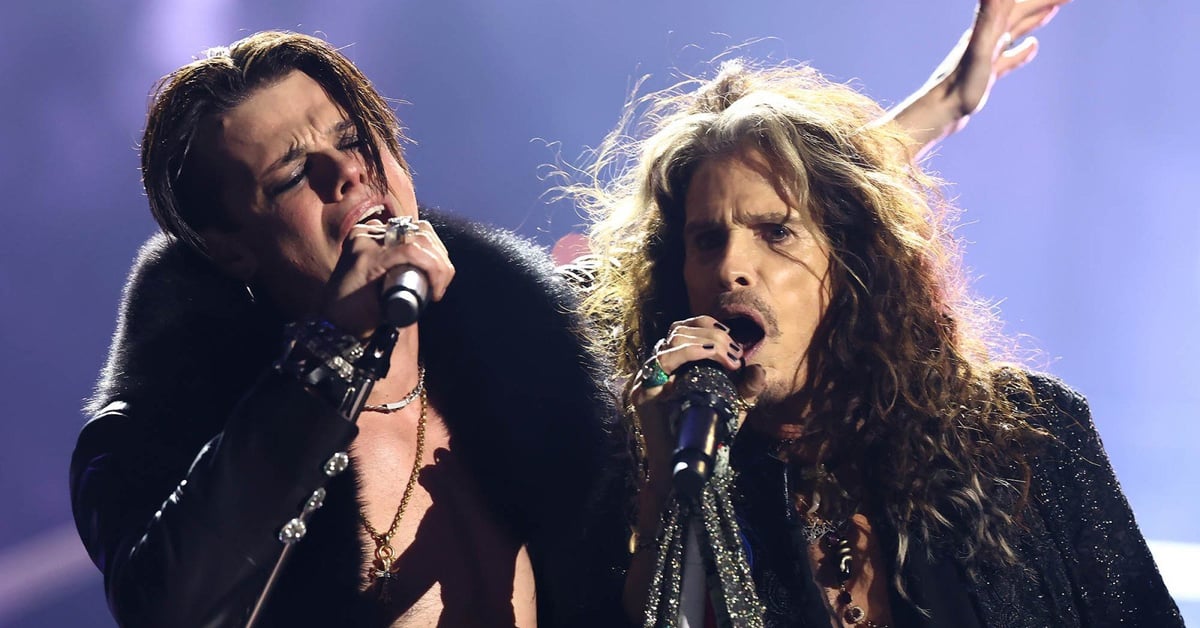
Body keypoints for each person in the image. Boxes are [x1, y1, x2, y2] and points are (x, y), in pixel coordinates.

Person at [69, 1, 1065, 625]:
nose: (348, 175)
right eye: (295, 173)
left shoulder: (528, 336)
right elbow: (162, 596)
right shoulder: (159, 434)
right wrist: (333, 344)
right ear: (228, 247)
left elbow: (746, 240)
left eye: (351, 137)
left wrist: (946, 99)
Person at [575, 9, 1185, 628]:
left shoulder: (1027, 438)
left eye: (776, 232)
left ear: (853, 260)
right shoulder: (678, 478)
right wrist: (668, 488)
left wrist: (935, 110)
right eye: (707, 240)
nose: (730, 267)